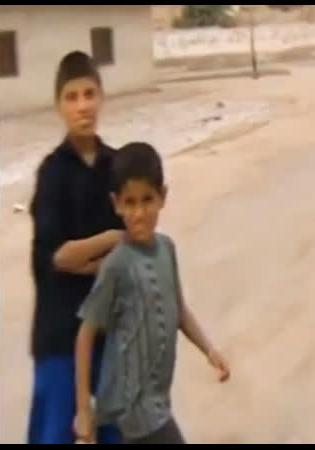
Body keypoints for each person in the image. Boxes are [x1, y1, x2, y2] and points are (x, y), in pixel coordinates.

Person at [73, 143, 231, 444]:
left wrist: (209, 351)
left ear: (163, 197)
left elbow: (179, 311)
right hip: (131, 406)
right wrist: (83, 408)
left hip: (157, 399)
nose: (139, 213)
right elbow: (86, 332)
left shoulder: (167, 249)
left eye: (148, 200)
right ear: (116, 204)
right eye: (130, 203)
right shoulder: (117, 264)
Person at [26, 51, 125, 445]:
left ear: (102, 97)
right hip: (60, 336)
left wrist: (87, 260)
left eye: (89, 93)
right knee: (56, 434)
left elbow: (135, 246)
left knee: (119, 432)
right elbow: (57, 256)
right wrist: (110, 242)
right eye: (71, 97)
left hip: (111, 333)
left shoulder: (118, 167)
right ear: (58, 106)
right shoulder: (52, 174)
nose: (82, 105)